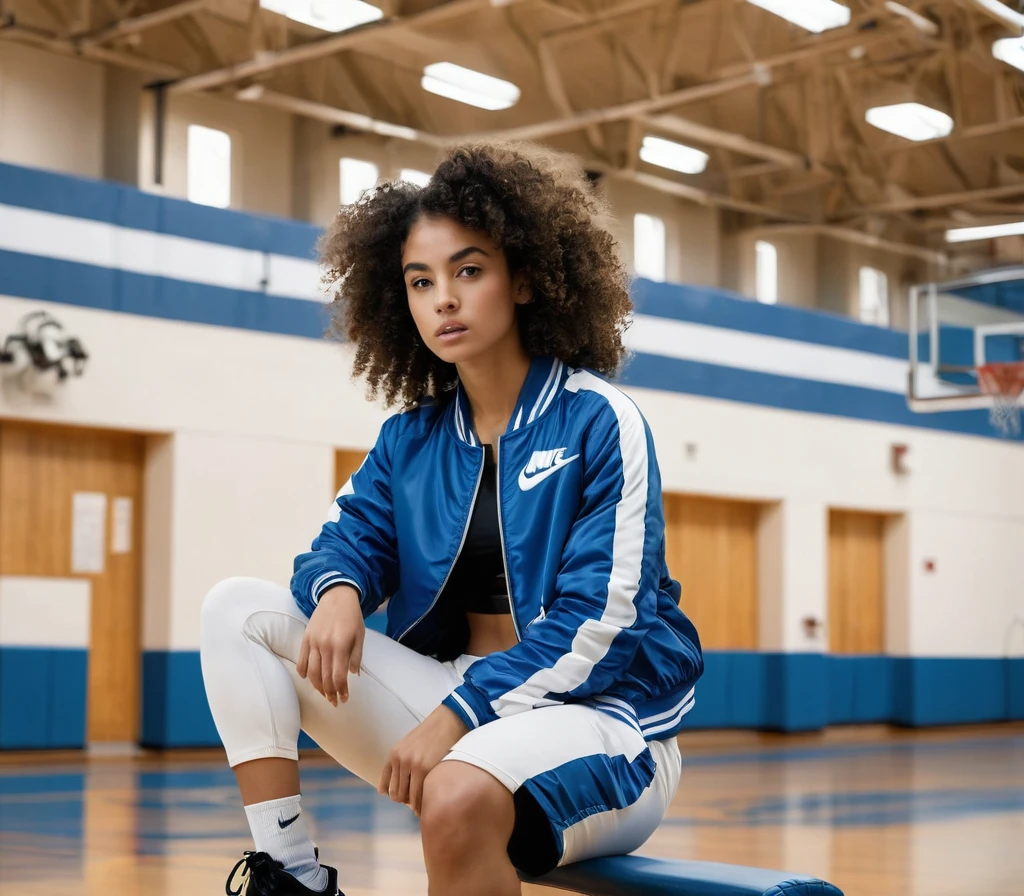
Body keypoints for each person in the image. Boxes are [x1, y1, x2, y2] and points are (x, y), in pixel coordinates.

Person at [200, 140, 704, 896]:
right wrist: (339, 591)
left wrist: (459, 717)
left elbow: (602, 622)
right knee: (237, 610)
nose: (444, 298)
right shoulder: (413, 439)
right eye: (420, 280)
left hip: (603, 723)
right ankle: (295, 875)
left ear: (526, 278)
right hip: (456, 700)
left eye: (468, 271)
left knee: (458, 791)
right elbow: (346, 541)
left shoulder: (601, 422)